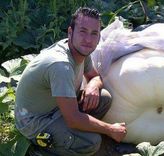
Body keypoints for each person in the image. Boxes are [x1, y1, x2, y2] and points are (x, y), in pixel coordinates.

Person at [14, 7, 127, 156]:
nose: (88, 39)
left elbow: (95, 76)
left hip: (59, 108)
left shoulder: (82, 51)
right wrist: (111, 130)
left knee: (103, 98)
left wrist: (92, 85)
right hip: (36, 120)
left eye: (94, 34)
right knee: (92, 143)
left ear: (99, 37)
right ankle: (41, 149)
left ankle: (73, 133)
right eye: (83, 31)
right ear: (70, 32)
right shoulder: (61, 65)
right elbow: (73, 119)